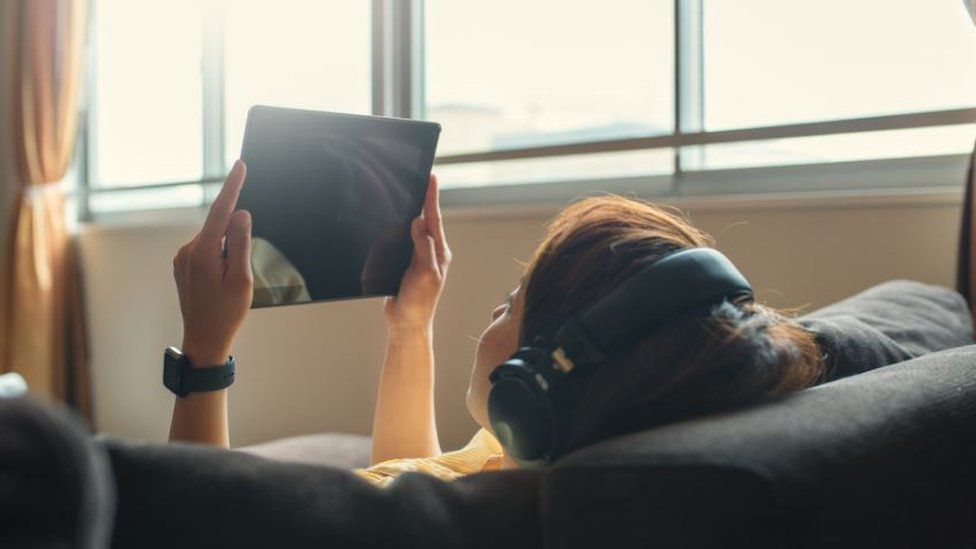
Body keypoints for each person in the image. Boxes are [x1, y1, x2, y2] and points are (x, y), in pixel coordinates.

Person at [168, 160, 825, 484]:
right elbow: (411, 474)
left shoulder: (485, 521)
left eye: (513, 306)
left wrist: (205, 349)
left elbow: (193, 527)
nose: (493, 309)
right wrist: (411, 327)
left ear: (537, 382)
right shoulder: (521, 457)